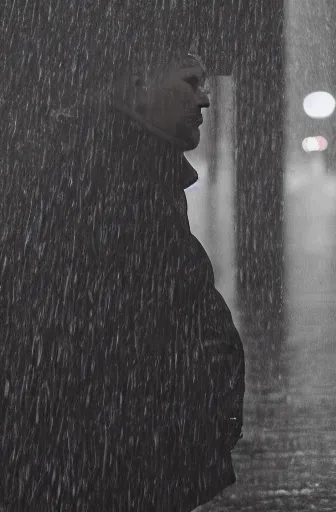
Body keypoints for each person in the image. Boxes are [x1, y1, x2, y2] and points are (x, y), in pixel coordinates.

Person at [0, 48, 245, 511]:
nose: (206, 99)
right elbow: (110, 334)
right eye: (191, 82)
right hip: (117, 465)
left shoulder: (131, 165)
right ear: (138, 82)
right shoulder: (106, 176)